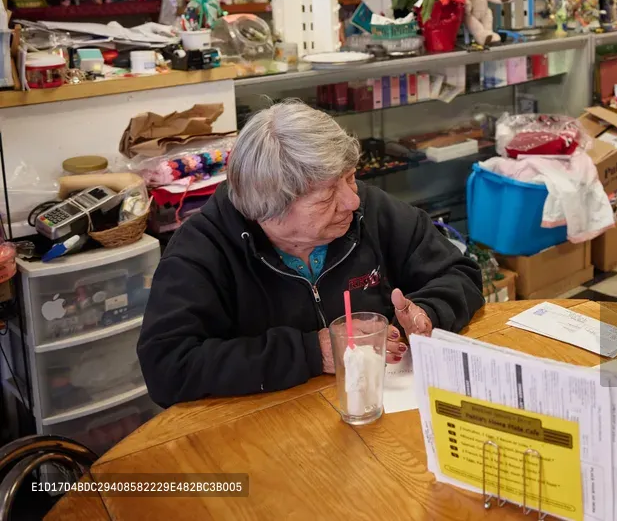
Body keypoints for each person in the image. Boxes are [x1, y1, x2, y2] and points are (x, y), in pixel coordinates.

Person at [137, 100, 484, 407]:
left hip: (378, 408)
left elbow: (460, 274)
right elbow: (167, 366)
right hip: (268, 432)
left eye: (350, 178)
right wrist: (311, 353)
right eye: (326, 195)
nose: (353, 200)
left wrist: (428, 312)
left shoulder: (369, 211)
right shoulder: (203, 250)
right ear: (269, 209)